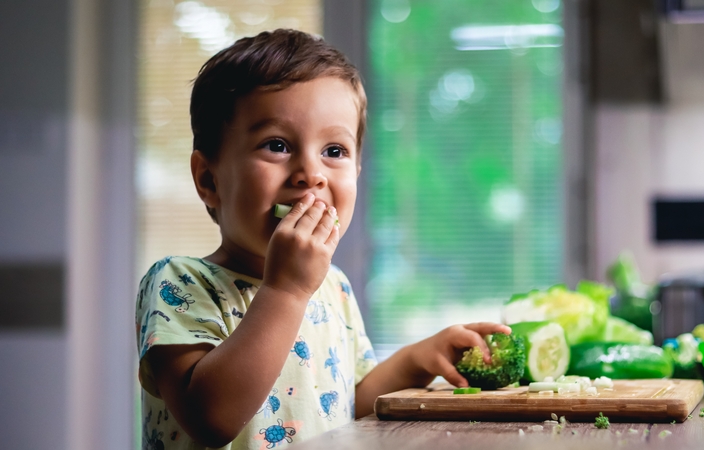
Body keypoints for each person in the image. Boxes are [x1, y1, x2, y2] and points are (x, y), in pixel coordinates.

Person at [135, 28, 510, 450]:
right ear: (209, 179)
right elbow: (211, 419)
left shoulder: (334, 287)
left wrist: (418, 359)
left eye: (334, 151)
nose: (310, 173)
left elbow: (349, 403)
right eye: (276, 145)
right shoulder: (178, 284)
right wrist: (287, 289)